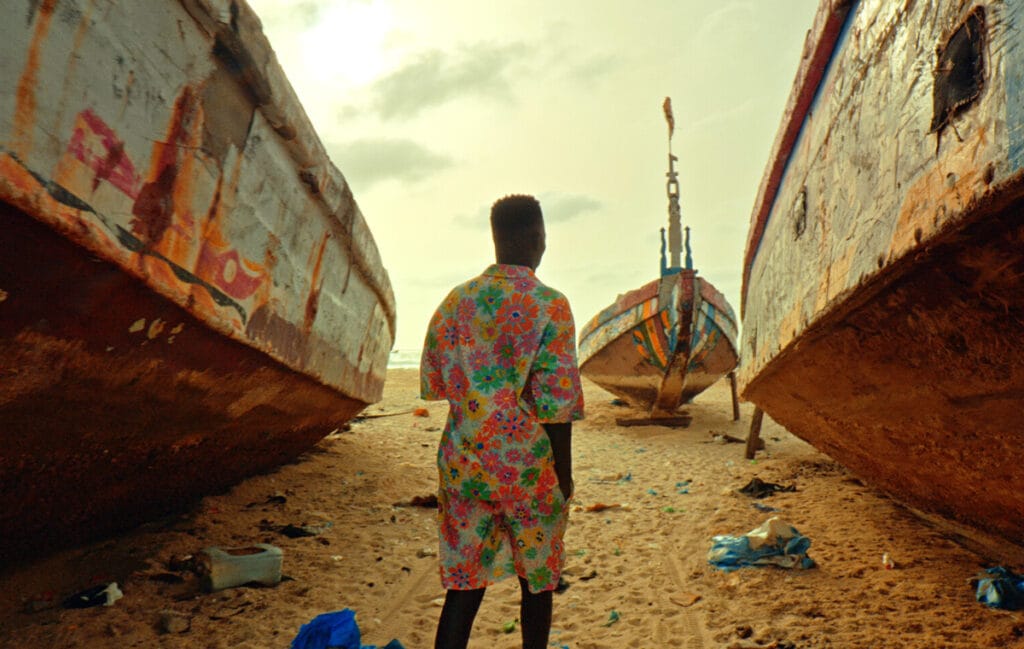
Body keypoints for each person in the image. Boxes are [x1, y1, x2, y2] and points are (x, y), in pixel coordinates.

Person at [420, 194, 584, 649]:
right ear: (536, 237)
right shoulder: (550, 305)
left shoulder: (457, 301)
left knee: (464, 586)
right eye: (544, 237)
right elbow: (557, 401)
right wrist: (563, 474)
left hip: (464, 462)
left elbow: (436, 381)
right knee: (537, 583)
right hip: (528, 467)